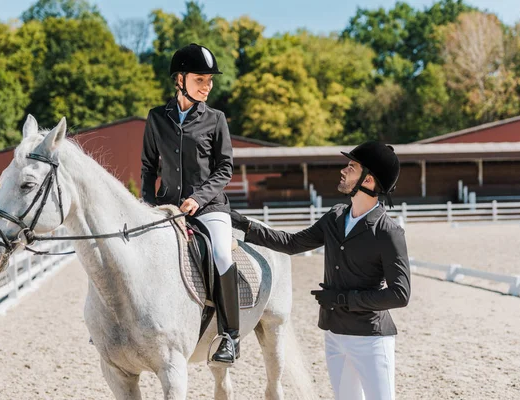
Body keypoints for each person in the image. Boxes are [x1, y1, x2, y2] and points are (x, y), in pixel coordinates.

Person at [230, 141, 411, 399]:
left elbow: (400, 294)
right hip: (335, 334)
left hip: (370, 339)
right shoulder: (336, 216)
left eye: (351, 167)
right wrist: (246, 226)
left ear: (368, 180)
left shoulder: (388, 232)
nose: (344, 171)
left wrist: (343, 299)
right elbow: (292, 244)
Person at [140, 43, 240, 365]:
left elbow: (225, 168)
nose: (208, 86)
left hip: (209, 207)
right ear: (180, 79)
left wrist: (198, 198)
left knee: (222, 253)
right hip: (168, 209)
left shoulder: (216, 119)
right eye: (201, 79)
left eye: (210, 81)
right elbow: (147, 168)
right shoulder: (156, 118)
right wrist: (147, 206)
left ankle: (230, 336)